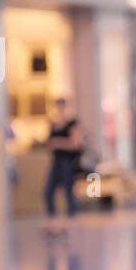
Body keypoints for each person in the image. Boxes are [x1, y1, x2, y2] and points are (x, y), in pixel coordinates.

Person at [43, 97, 83, 236]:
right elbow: (49, 145)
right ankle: (53, 221)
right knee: (48, 192)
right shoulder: (53, 125)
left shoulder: (71, 124)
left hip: (67, 162)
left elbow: (76, 144)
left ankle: (71, 221)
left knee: (68, 191)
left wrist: (58, 142)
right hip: (56, 162)